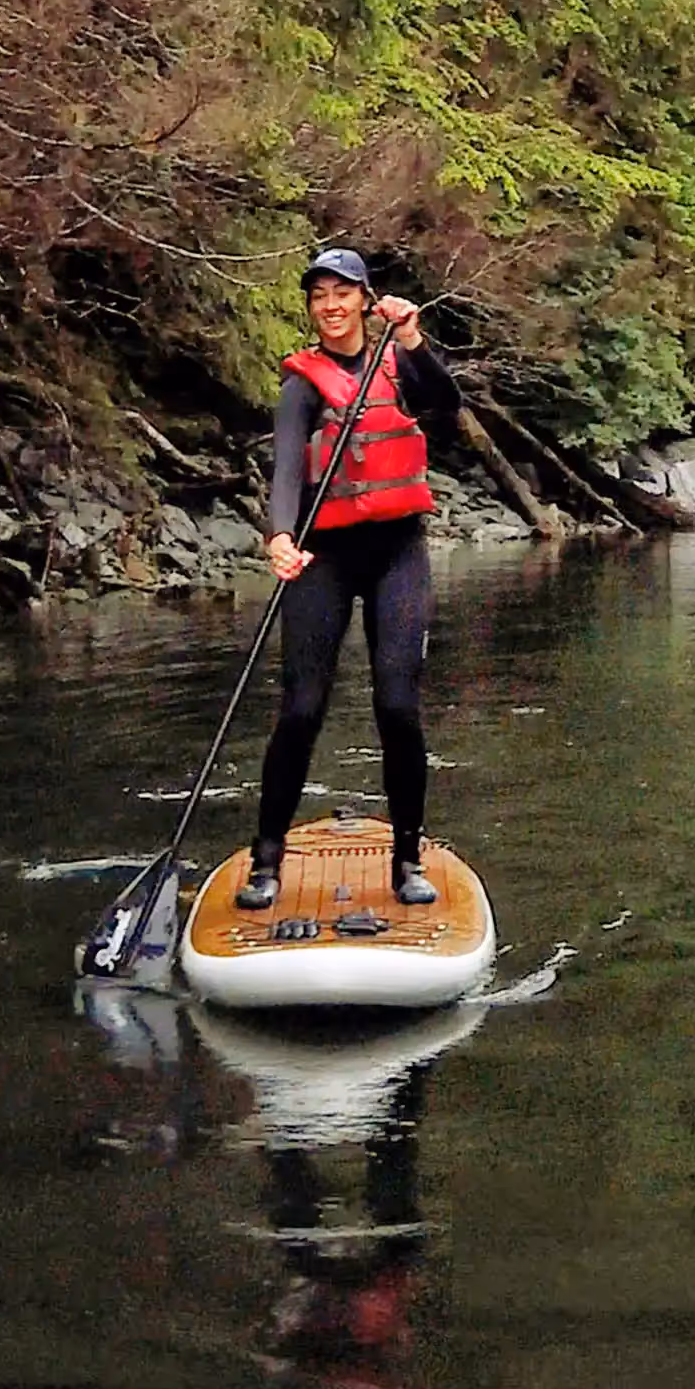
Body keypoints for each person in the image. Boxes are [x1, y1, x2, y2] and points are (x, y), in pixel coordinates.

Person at [248, 247, 458, 909]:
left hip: (398, 551)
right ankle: (267, 860)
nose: (331, 307)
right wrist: (280, 533)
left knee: (397, 706)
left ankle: (406, 856)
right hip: (324, 556)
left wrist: (416, 340)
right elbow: (286, 465)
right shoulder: (302, 383)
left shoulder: (399, 361)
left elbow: (445, 407)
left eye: (343, 294)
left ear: (366, 301)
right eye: (319, 297)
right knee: (302, 708)